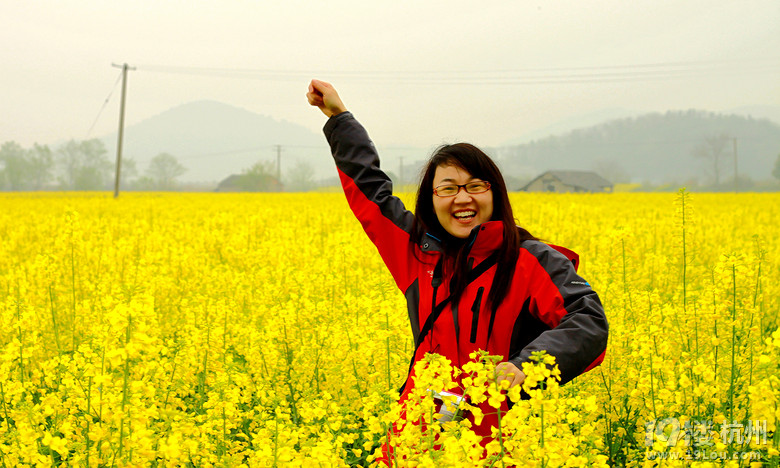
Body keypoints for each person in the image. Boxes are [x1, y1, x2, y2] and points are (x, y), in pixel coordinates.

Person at [307, 79, 608, 456]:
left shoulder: (530, 260)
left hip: (498, 446)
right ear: (431, 199)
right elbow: (371, 193)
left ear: (494, 192)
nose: (462, 198)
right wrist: (339, 118)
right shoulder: (417, 251)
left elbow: (587, 319)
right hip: (415, 443)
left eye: (475, 185)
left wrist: (525, 368)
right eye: (448, 188)